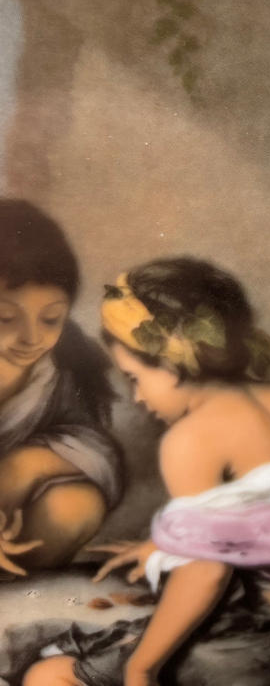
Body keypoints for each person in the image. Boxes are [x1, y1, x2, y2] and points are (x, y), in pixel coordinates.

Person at [24, 257, 270, 686]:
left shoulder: (192, 438)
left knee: (51, 675)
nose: (137, 398)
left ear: (172, 362)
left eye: (134, 378)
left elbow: (207, 572)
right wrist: (166, 544)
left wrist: (143, 669)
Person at [0, 199, 122, 575]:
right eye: (5, 317)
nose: (31, 338)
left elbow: (96, 447)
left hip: (9, 523)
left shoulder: (61, 370)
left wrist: (26, 464)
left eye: (51, 318)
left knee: (75, 505)